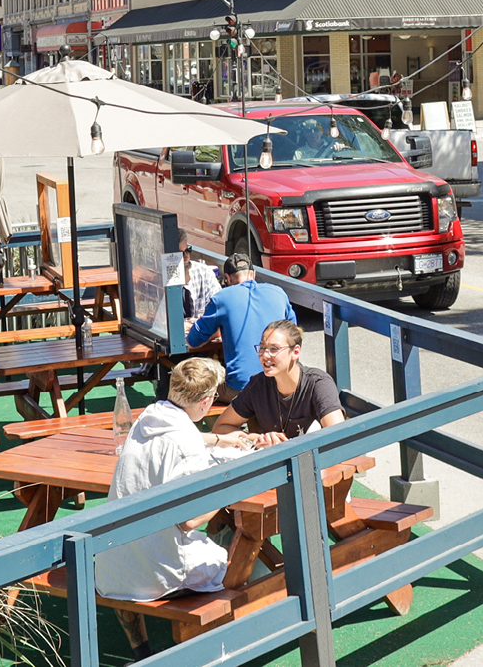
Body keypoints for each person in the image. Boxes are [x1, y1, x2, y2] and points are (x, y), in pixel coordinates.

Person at [93, 357, 254, 655]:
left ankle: (142, 651)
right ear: (206, 402)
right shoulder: (187, 444)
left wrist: (218, 440)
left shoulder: (147, 418)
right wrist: (228, 484)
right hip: (157, 574)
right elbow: (190, 521)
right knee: (244, 560)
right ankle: (220, 648)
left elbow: (179, 437)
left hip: (112, 566)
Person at [210, 319, 347, 445]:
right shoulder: (258, 385)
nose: (265, 355)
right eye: (262, 348)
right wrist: (258, 438)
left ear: (295, 352)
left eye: (274, 349)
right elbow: (220, 427)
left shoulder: (318, 383)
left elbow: (338, 436)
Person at [184, 255, 296, 403]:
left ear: (228, 278)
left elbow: (193, 341)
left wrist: (216, 332)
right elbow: (294, 332)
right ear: (253, 274)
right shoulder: (279, 292)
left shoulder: (221, 298)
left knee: (199, 390)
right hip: (282, 383)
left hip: (241, 389)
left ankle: (223, 424)